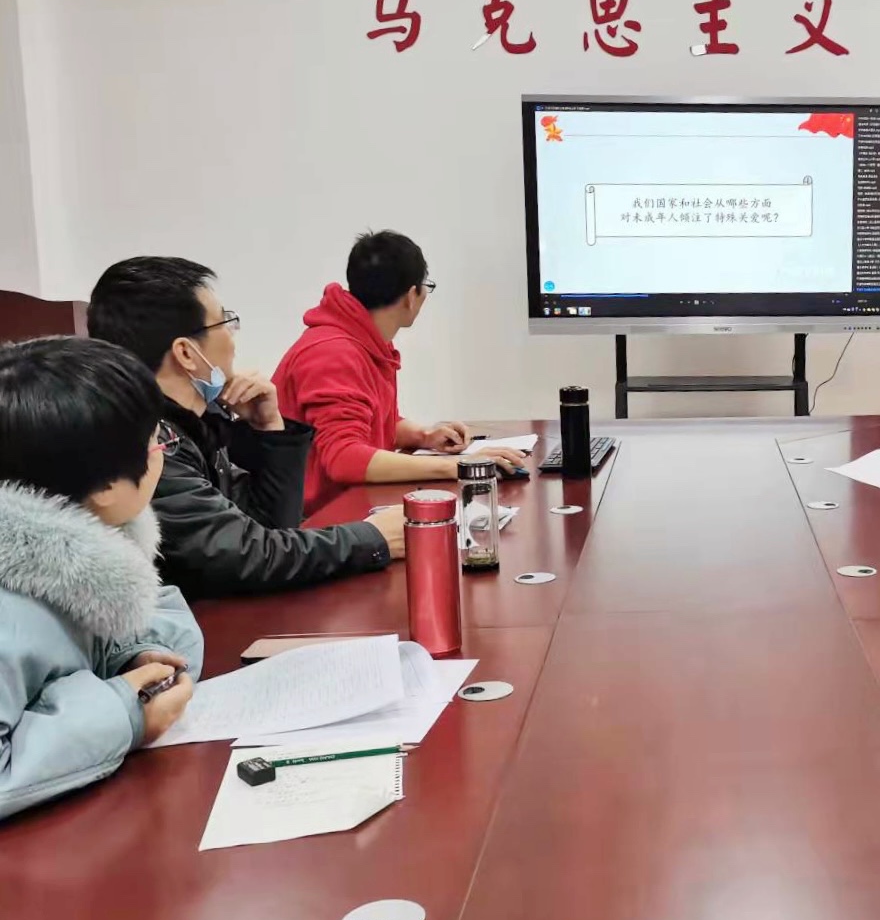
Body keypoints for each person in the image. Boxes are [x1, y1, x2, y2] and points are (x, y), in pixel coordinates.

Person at [88, 257, 404, 600]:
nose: (233, 339)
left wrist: (271, 429)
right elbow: (248, 554)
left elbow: (270, 525)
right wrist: (373, 538)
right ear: (186, 353)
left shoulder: (198, 425)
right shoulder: (151, 445)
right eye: (225, 321)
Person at [0, 337, 204, 820]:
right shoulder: (12, 610)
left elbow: (147, 624)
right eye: (156, 441)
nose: (162, 451)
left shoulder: (92, 545)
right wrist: (125, 712)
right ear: (108, 485)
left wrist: (131, 657)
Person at [273, 231, 529, 515]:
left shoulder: (362, 339)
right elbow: (343, 457)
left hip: (347, 505)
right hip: (315, 521)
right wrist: (456, 467)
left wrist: (424, 436)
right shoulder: (333, 353)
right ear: (411, 296)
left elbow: (373, 421)